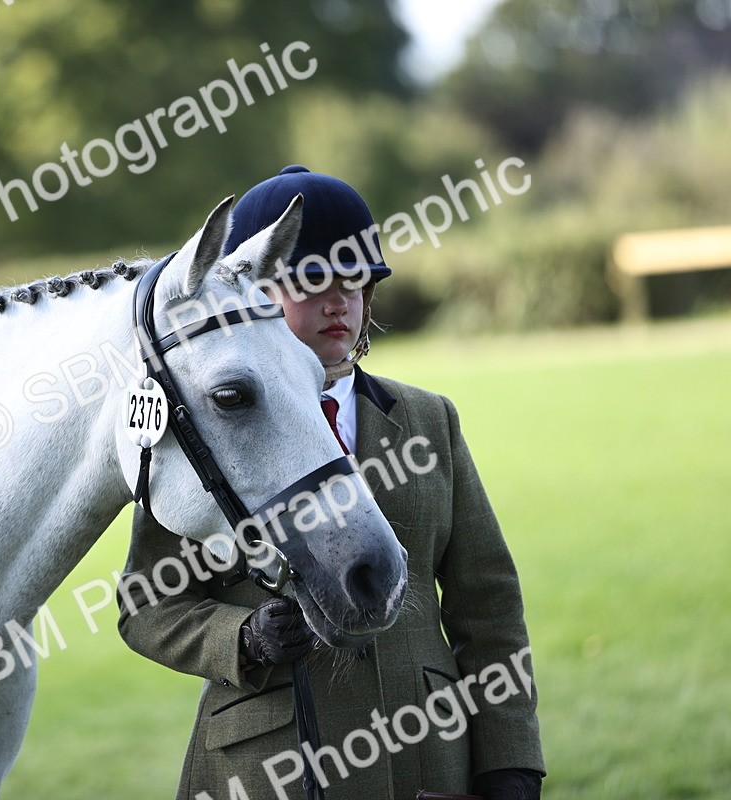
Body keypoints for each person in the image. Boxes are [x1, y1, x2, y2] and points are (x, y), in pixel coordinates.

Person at [117, 166, 545, 800]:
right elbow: (147, 606)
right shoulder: (208, 425)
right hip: (266, 767)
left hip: (424, 756)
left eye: (355, 282)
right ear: (253, 292)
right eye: (312, 281)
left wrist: (510, 766)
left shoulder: (430, 421)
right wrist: (242, 638)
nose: (339, 301)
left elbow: (489, 605)